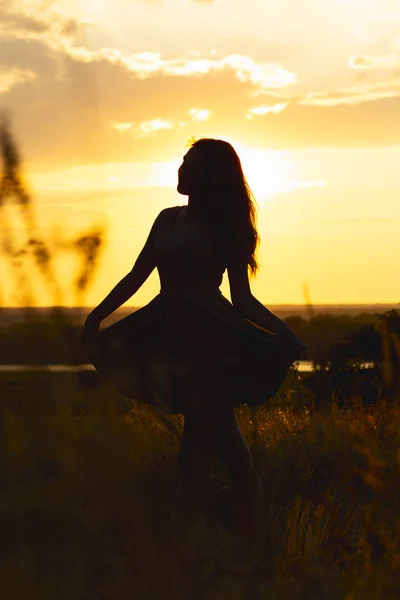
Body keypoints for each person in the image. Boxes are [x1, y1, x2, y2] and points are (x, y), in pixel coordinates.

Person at [81, 138, 306, 542]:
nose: (180, 170)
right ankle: (250, 499)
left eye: (190, 164)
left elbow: (243, 299)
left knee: (203, 426)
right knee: (218, 423)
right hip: (167, 329)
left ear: (209, 177)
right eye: (182, 162)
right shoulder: (167, 218)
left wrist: (284, 334)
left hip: (211, 336)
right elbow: (137, 275)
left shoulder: (228, 227)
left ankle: (181, 526)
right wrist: (97, 316)